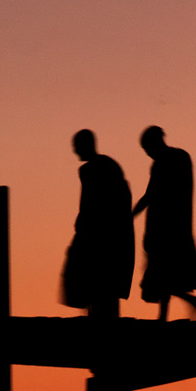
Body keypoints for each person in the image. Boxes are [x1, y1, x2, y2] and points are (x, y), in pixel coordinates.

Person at [131, 125, 196, 321]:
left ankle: (185, 305)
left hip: (163, 227)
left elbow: (150, 195)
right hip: (178, 226)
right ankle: (167, 314)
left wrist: (130, 216)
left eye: (147, 149)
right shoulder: (182, 157)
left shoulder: (165, 162)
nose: (148, 154)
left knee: (162, 275)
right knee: (168, 274)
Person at [59, 129, 133, 314]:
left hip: (96, 236)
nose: (75, 152)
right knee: (106, 290)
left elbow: (88, 205)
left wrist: (82, 229)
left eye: (76, 147)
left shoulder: (89, 170)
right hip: (116, 235)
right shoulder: (111, 166)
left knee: (91, 282)